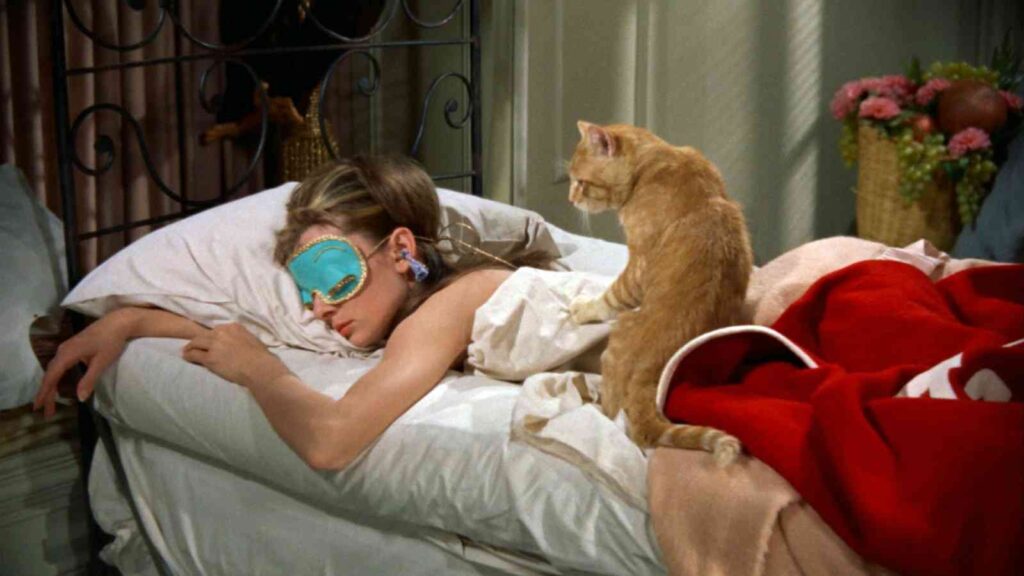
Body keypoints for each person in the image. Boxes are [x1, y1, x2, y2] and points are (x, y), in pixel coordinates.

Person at [34, 155, 552, 470]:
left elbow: (330, 442)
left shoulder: (451, 303)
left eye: (333, 276)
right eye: (307, 293)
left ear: (401, 250)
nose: (320, 308)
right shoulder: (421, 317)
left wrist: (260, 372)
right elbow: (245, 329)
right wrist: (131, 320)